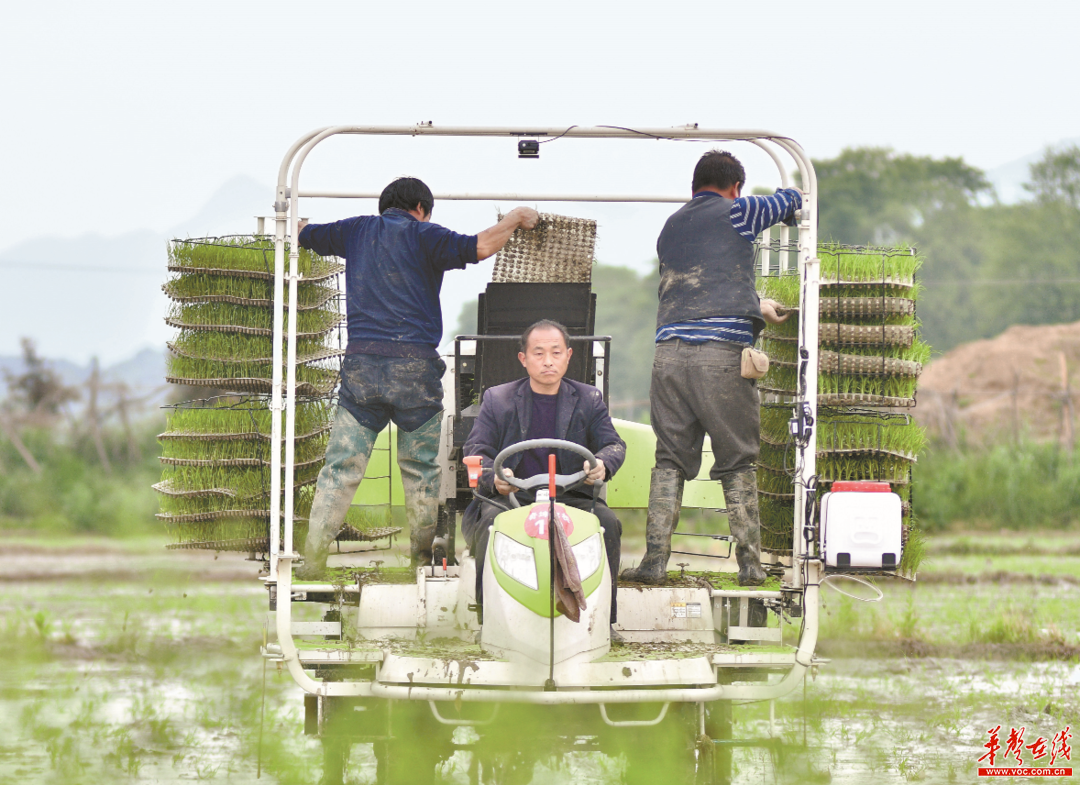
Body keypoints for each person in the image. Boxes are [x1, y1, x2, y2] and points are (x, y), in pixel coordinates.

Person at [295, 177, 539, 578]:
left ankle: (313, 560)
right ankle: (421, 562)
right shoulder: (426, 235)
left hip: (363, 370)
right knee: (421, 471)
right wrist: (514, 218)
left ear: (384, 206)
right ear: (422, 208)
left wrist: (295, 224)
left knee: (340, 469)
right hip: (416, 371)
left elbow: (305, 235)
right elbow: (481, 246)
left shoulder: (354, 230)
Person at [621, 150, 800, 587]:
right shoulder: (738, 210)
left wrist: (754, 305)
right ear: (735, 186)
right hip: (720, 358)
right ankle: (751, 565)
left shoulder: (672, 227)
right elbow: (793, 198)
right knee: (737, 459)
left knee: (670, 460)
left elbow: (704, 285)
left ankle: (654, 563)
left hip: (668, 358)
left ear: (694, 186)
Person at [462, 319, 627, 627]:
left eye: (555, 352)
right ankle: (487, 620)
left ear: (568, 356)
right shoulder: (497, 400)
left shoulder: (589, 399)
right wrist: (494, 479)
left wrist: (603, 463)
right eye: (538, 353)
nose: (548, 361)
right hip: (513, 498)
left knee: (607, 523)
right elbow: (475, 451)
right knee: (488, 524)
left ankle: (605, 622)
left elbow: (613, 444)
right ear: (523, 359)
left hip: (571, 496)